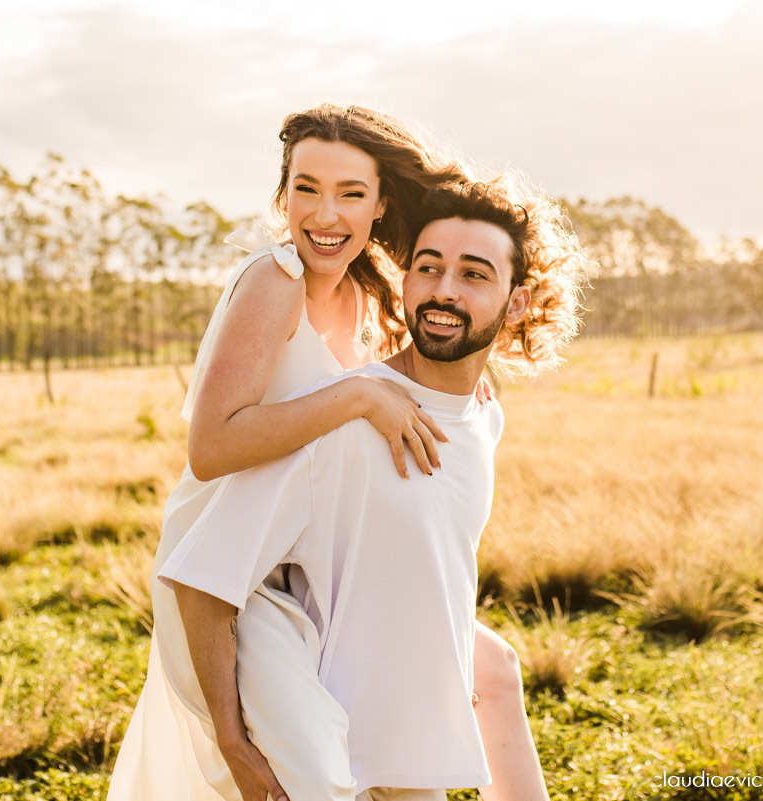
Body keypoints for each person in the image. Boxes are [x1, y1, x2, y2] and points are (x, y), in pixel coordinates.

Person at [107, 105, 540, 801]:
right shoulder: (275, 281)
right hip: (232, 560)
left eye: (350, 193)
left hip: (302, 542)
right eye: (306, 188)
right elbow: (212, 446)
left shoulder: (364, 290)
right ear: (283, 195)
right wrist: (358, 400)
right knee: (313, 773)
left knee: (491, 666)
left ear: (379, 205)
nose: (325, 213)